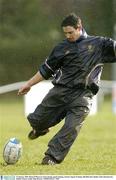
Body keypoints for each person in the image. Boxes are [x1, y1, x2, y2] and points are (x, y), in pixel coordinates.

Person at [18, 13, 116, 165]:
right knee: (36, 121)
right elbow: (46, 69)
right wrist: (29, 84)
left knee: (71, 127)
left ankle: (51, 158)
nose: (68, 36)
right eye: (65, 33)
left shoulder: (100, 44)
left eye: (70, 32)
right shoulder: (60, 48)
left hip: (84, 95)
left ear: (79, 27)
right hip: (60, 92)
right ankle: (40, 128)